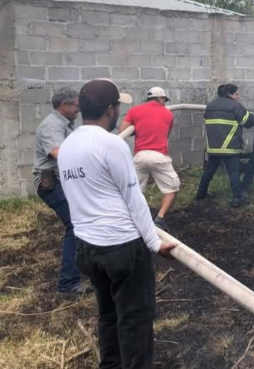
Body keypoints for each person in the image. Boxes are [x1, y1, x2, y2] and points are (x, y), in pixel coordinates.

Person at [58, 78, 176, 369]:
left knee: (109, 315)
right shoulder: (111, 143)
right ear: (110, 110)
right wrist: (153, 243)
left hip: (88, 248)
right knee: (135, 319)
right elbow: (133, 198)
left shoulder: (68, 144)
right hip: (121, 246)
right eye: (118, 109)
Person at [33, 87, 87, 297]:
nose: (78, 110)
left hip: (62, 182)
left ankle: (81, 273)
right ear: (63, 105)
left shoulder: (66, 124)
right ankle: (67, 285)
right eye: (76, 105)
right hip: (51, 184)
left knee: (81, 223)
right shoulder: (52, 125)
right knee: (74, 225)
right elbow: (59, 152)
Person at [118, 86, 180, 232]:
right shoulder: (167, 114)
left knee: (134, 191)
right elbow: (166, 134)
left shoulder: (135, 111)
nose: (165, 102)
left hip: (139, 156)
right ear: (160, 98)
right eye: (164, 99)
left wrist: (138, 128)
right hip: (159, 156)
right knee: (171, 190)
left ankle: (134, 220)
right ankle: (160, 219)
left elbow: (122, 131)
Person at [196, 83, 254, 207]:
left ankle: (200, 194)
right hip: (229, 147)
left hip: (214, 147)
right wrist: (252, 115)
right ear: (230, 94)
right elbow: (248, 122)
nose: (238, 97)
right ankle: (238, 198)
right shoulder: (235, 105)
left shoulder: (210, 106)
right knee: (233, 172)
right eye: (236, 94)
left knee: (209, 171)